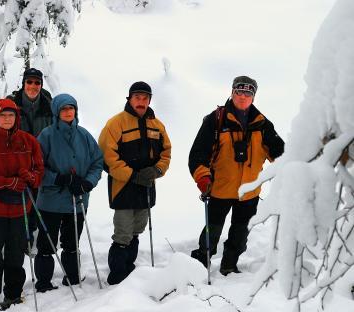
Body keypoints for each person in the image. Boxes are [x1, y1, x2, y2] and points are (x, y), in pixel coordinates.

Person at [188, 76, 284, 275]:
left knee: (240, 236)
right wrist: (203, 178)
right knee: (211, 234)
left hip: (249, 192)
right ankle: (199, 268)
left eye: (248, 93)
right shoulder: (215, 120)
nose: (243, 96)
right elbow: (197, 154)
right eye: (239, 92)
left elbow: (280, 154)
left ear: (253, 97)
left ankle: (229, 266)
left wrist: (296, 168)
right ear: (232, 93)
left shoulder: (262, 124)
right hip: (219, 189)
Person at [0, 99, 44, 310]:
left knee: (15, 257)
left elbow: (39, 173)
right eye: (3, 115)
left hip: (20, 210)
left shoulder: (29, 142)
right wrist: (7, 182)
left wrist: (30, 176)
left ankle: (13, 297)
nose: (7, 119)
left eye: (11, 115)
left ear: (16, 118)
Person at [98, 82, 172, 285]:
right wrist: (132, 175)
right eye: (137, 97)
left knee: (137, 230)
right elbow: (107, 157)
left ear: (149, 100)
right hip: (123, 187)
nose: (141, 102)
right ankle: (117, 277)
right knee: (123, 234)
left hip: (146, 187)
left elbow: (166, 153)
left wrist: (157, 170)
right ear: (129, 98)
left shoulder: (157, 125)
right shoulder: (116, 124)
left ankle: (130, 271)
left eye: (145, 98)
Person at [34, 93, 103, 292]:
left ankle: (72, 278)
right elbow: (37, 167)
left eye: (71, 108)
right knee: (47, 244)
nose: (68, 112)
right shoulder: (46, 136)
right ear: (57, 111)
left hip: (78, 199)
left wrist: (87, 183)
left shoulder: (84, 135)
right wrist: (58, 178)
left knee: (72, 242)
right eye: (64, 109)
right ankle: (44, 283)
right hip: (51, 201)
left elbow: (97, 162)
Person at [8, 68, 53, 238]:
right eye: (29, 82)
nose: (33, 86)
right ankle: (19, 238)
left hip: (41, 163)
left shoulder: (49, 106)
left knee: (37, 202)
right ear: (23, 83)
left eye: (37, 82)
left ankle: (30, 235)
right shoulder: (12, 104)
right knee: (18, 202)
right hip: (16, 163)